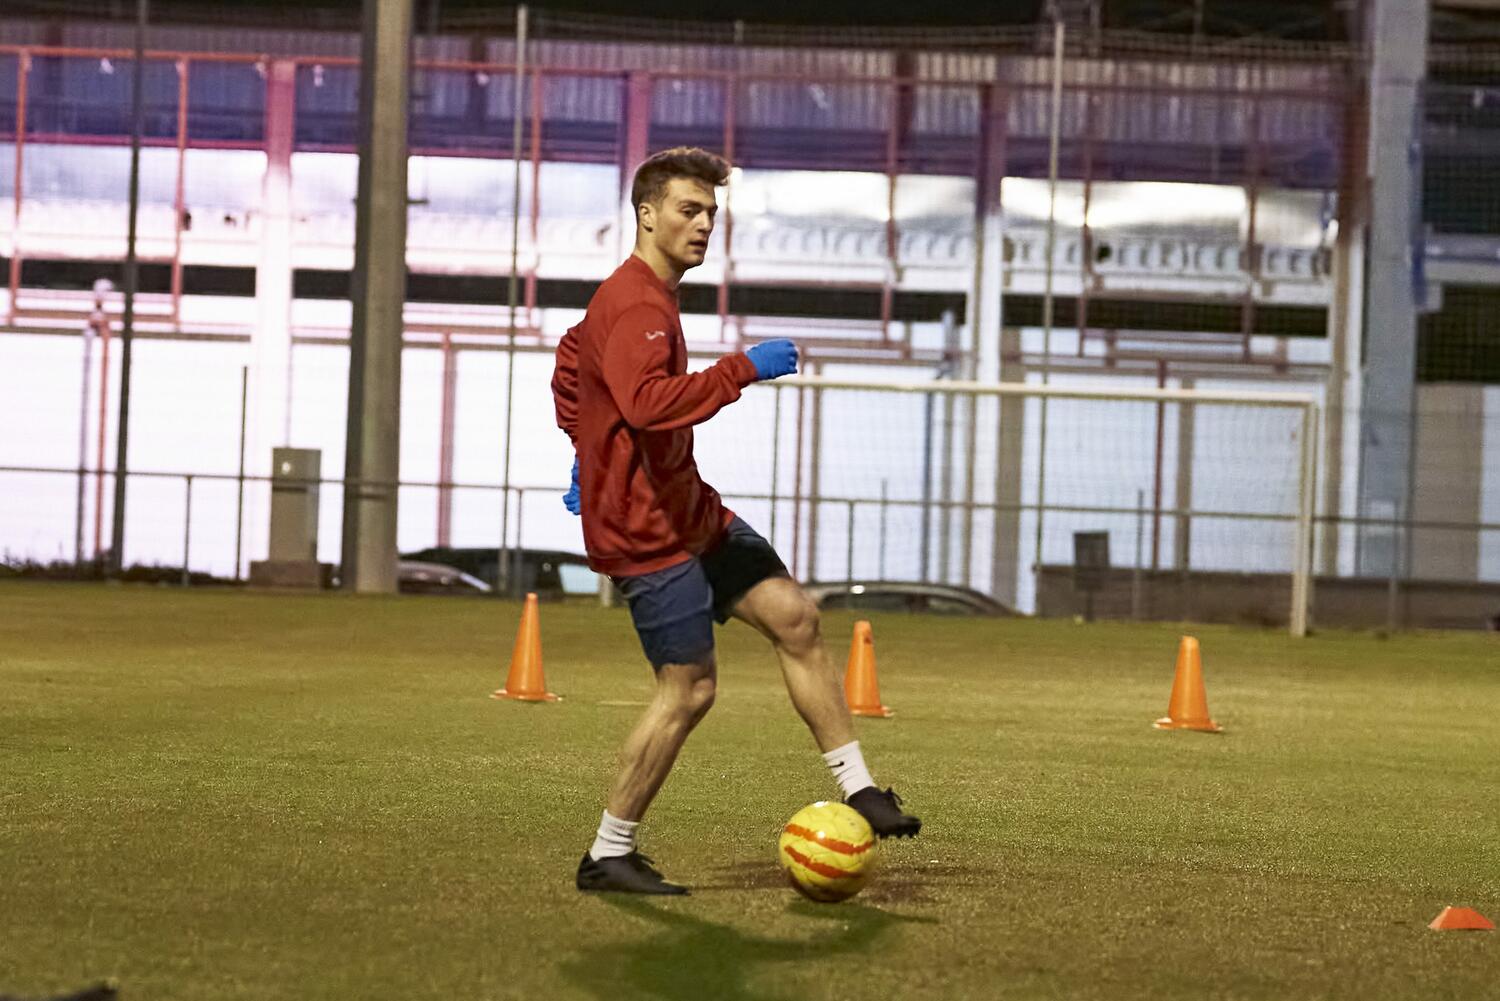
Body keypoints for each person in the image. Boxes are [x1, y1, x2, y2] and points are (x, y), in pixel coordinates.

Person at [551, 147, 920, 896]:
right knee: (688, 690)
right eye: (688, 210)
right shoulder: (635, 302)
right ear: (646, 214)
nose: (703, 225)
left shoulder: (644, 298)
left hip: (689, 508)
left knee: (794, 617)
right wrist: (741, 369)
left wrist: (585, 448)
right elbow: (647, 403)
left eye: (711, 213)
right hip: (646, 532)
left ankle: (859, 788)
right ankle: (608, 853)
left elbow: (571, 361)